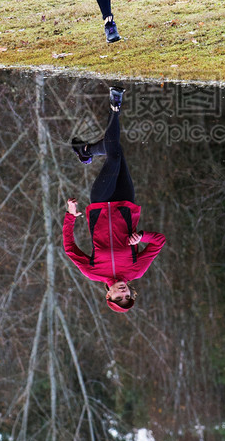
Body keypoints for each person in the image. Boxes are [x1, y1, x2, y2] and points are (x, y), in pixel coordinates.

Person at [63, 86, 165, 311]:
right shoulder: (136, 269)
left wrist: (70, 217)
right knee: (115, 153)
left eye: (118, 298)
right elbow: (159, 241)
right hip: (125, 204)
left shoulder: (93, 272)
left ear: (108, 295)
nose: (123, 294)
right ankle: (86, 150)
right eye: (128, 296)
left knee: (114, 157)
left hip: (100, 203)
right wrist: (141, 238)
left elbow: (70, 249)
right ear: (131, 292)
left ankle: (115, 105)